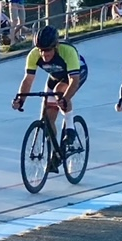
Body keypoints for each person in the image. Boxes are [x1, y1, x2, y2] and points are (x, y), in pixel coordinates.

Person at [11, 25, 88, 173]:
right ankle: (56, 153)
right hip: (55, 76)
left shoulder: (68, 51)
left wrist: (65, 99)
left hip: (76, 75)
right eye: (41, 50)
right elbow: (28, 80)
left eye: (48, 50)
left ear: (56, 46)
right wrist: (20, 99)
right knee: (46, 116)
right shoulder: (34, 54)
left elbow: (74, 81)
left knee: (60, 92)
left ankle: (70, 129)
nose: (44, 54)